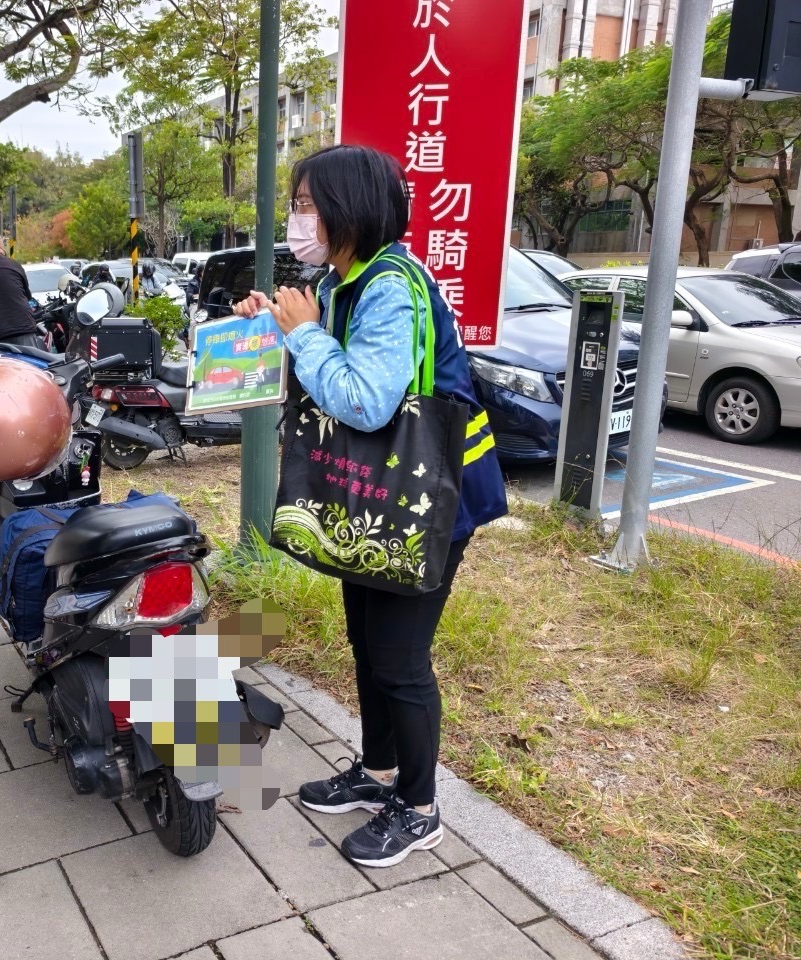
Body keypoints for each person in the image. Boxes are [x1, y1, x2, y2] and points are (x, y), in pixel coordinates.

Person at [231, 144, 507, 869]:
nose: (297, 218)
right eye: (296, 204)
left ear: (349, 208)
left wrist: (307, 334)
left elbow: (364, 397)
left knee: (400, 657)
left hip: (428, 500)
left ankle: (419, 808)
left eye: (306, 204)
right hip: (377, 494)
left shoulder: (389, 285)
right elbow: (327, 374)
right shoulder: (341, 280)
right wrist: (271, 327)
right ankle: (378, 771)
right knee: (367, 643)